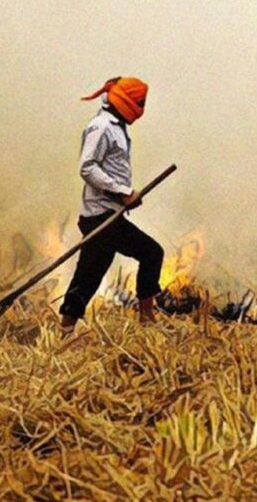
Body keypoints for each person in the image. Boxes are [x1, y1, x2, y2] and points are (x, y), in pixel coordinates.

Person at [59, 76, 164, 331]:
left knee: (90, 273)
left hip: (110, 214)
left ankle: (66, 328)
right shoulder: (101, 127)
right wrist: (123, 191)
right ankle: (147, 319)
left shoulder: (116, 127)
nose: (141, 109)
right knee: (151, 253)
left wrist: (124, 197)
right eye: (140, 103)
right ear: (128, 101)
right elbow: (87, 168)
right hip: (101, 216)